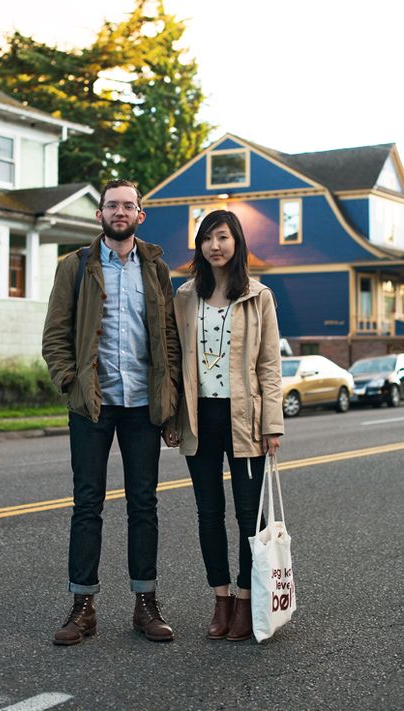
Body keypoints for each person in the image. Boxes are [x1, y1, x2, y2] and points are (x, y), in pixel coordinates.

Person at [42, 179, 180, 645]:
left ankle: (146, 604)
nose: (120, 212)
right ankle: (82, 607)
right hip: (92, 405)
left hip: (143, 404)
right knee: (87, 505)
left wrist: (170, 397)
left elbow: (169, 339)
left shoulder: (156, 269)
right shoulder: (75, 267)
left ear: (141, 215)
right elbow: (54, 336)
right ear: (99, 214)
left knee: (144, 505)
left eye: (128, 206)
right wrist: (70, 383)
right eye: (112, 205)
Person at [164, 209, 284, 641]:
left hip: (246, 419)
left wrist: (273, 424)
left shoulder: (258, 296)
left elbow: (270, 366)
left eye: (223, 237)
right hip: (200, 417)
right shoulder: (185, 296)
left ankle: (249, 601)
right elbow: (175, 365)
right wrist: (173, 417)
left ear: (236, 244)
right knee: (208, 512)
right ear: (199, 246)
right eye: (207, 238)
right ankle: (221, 599)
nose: (215, 246)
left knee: (249, 515)